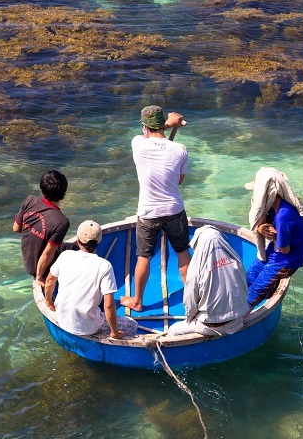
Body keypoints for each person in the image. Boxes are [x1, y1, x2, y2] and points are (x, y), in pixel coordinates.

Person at [121, 105, 190, 312]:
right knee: (183, 253)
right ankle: (194, 301)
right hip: (174, 210)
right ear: (162, 124)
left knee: (144, 257)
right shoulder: (180, 149)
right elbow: (179, 181)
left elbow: (152, 137)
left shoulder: (137, 144)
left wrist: (169, 123)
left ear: (144, 127)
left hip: (148, 213)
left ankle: (138, 301)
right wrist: (170, 123)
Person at [44, 220, 138, 339]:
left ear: (78, 241)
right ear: (100, 241)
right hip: (88, 326)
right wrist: (115, 332)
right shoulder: (104, 265)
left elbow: (49, 282)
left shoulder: (65, 255)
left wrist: (49, 302)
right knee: (131, 325)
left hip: (62, 318)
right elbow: (109, 305)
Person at [166, 225, 249, 337]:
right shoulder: (236, 261)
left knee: (173, 330)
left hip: (210, 326)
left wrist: (190, 318)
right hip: (236, 320)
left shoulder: (196, 269)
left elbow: (190, 301)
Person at [244, 166, 303, 306]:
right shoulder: (275, 206)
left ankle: (236, 323)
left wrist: (273, 236)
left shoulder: (283, 217)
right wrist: (261, 228)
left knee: (252, 294)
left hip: (286, 259)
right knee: (247, 279)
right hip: (275, 251)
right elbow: (266, 220)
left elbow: (285, 249)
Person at [13, 169, 70, 286]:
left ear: (41, 188)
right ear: (64, 192)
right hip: (38, 269)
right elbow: (47, 254)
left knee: (65, 246)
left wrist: (34, 232)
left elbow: (16, 228)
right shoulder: (62, 222)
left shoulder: (29, 200)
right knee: (77, 250)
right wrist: (39, 278)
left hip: (28, 261)